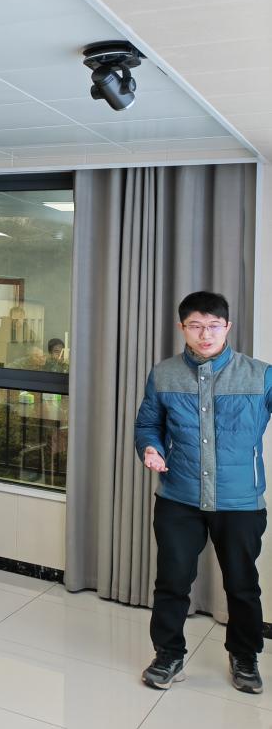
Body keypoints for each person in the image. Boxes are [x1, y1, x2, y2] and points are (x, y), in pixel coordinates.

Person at [136, 291, 272, 694]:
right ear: (182, 328)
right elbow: (148, 425)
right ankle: (168, 654)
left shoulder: (260, 375)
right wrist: (150, 448)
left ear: (227, 327)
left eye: (213, 325)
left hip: (240, 501)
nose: (205, 334)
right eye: (195, 325)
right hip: (179, 497)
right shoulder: (164, 374)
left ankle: (244, 657)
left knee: (242, 585)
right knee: (172, 581)